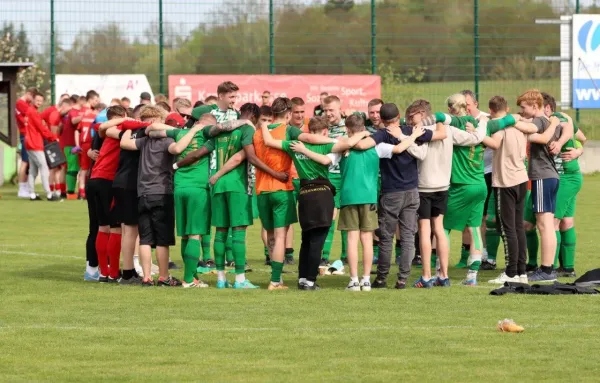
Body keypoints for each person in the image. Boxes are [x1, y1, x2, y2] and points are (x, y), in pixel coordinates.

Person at [175, 103, 283, 289]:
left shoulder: (221, 132)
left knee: (221, 232)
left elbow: (199, 153)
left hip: (217, 186)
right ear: (255, 117)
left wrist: (177, 165)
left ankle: (221, 279)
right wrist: (275, 173)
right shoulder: (248, 129)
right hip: (236, 184)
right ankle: (240, 280)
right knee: (238, 232)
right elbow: (242, 157)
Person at [261, 116, 370, 290]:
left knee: (306, 239)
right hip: (321, 194)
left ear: (307, 130)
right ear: (325, 131)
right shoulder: (327, 145)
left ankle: (303, 278)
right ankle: (310, 280)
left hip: (304, 194)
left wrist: (264, 125)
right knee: (317, 241)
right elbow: (349, 144)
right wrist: (364, 132)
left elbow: (268, 141)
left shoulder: (294, 145)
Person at [335, 114, 426, 291]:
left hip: (348, 197)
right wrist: (413, 136)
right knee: (368, 239)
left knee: (352, 238)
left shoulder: (342, 146)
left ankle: (354, 280)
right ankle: (367, 280)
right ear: (364, 128)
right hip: (369, 196)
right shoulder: (377, 147)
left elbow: (326, 156)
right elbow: (400, 149)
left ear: (347, 129)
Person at [350, 103, 436, 289]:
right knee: (407, 237)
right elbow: (438, 134)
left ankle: (381, 278)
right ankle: (402, 279)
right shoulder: (411, 130)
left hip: (391, 193)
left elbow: (361, 146)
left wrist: (361, 134)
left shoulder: (381, 135)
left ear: (381, 119)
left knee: (386, 237)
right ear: (399, 116)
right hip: (412, 191)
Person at [120, 105, 201, 287]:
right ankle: (164, 276)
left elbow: (124, 143)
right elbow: (178, 148)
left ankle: (147, 277)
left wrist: (128, 128)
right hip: (162, 193)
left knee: (146, 239)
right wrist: (192, 130)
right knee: (162, 239)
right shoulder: (165, 141)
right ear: (160, 122)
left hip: (143, 194)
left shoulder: (143, 141)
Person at [516, 90, 563, 282]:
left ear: (535, 106)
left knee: (544, 225)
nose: (522, 111)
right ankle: (548, 268)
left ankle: (545, 269)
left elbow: (536, 136)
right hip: (551, 176)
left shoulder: (538, 122)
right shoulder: (552, 121)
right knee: (548, 224)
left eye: (524, 107)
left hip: (542, 176)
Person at [483, 96, 530, 284]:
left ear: (491, 110)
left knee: (507, 228)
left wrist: (476, 134)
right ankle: (521, 271)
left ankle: (511, 272)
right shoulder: (519, 124)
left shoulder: (499, 126)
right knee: (518, 227)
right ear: (507, 108)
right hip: (521, 179)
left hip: (506, 182)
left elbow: (494, 143)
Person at [542, 93, 584, 278]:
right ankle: (567, 268)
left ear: (549, 108)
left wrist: (575, 151)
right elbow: (582, 137)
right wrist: (579, 150)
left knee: (552, 222)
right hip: (570, 177)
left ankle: (548, 267)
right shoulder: (557, 119)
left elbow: (574, 133)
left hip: (566, 177)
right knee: (567, 222)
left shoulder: (559, 119)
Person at [460, 90, 497, 270]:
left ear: (475, 103)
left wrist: (477, 132)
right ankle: (468, 255)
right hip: (467, 175)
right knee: (468, 218)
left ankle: (487, 256)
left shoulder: (486, 119)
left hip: (488, 173)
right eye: (462, 104)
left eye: (467, 104)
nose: (465, 108)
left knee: (486, 218)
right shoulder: (458, 119)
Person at [23, 91, 61, 201]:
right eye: (37, 100)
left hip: (30, 143)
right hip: (35, 144)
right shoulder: (33, 112)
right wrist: (53, 137)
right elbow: (42, 128)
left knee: (33, 170)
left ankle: (32, 194)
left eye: (41, 101)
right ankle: (49, 194)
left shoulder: (30, 111)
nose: (39, 102)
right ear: (33, 100)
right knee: (44, 168)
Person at [41, 97, 73, 196]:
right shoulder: (55, 115)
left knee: (57, 168)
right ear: (64, 106)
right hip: (53, 144)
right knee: (53, 168)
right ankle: (52, 190)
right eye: (68, 109)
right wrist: (56, 142)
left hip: (54, 143)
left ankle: (56, 189)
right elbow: (54, 132)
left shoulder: (58, 115)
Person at [75, 103, 103, 199]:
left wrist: (77, 145)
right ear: (99, 109)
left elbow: (77, 130)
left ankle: (81, 191)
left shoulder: (84, 116)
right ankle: (85, 191)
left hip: (83, 143)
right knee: (89, 169)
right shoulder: (98, 117)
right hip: (91, 143)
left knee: (83, 169)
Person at [16, 87, 37, 198]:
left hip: (28, 134)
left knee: (28, 162)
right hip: (25, 134)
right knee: (25, 161)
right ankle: (22, 188)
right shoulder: (21, 103)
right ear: (29, 94)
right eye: (32, 98)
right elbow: (30, 117)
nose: (32, 101)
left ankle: (27, 187)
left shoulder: (24, 104)